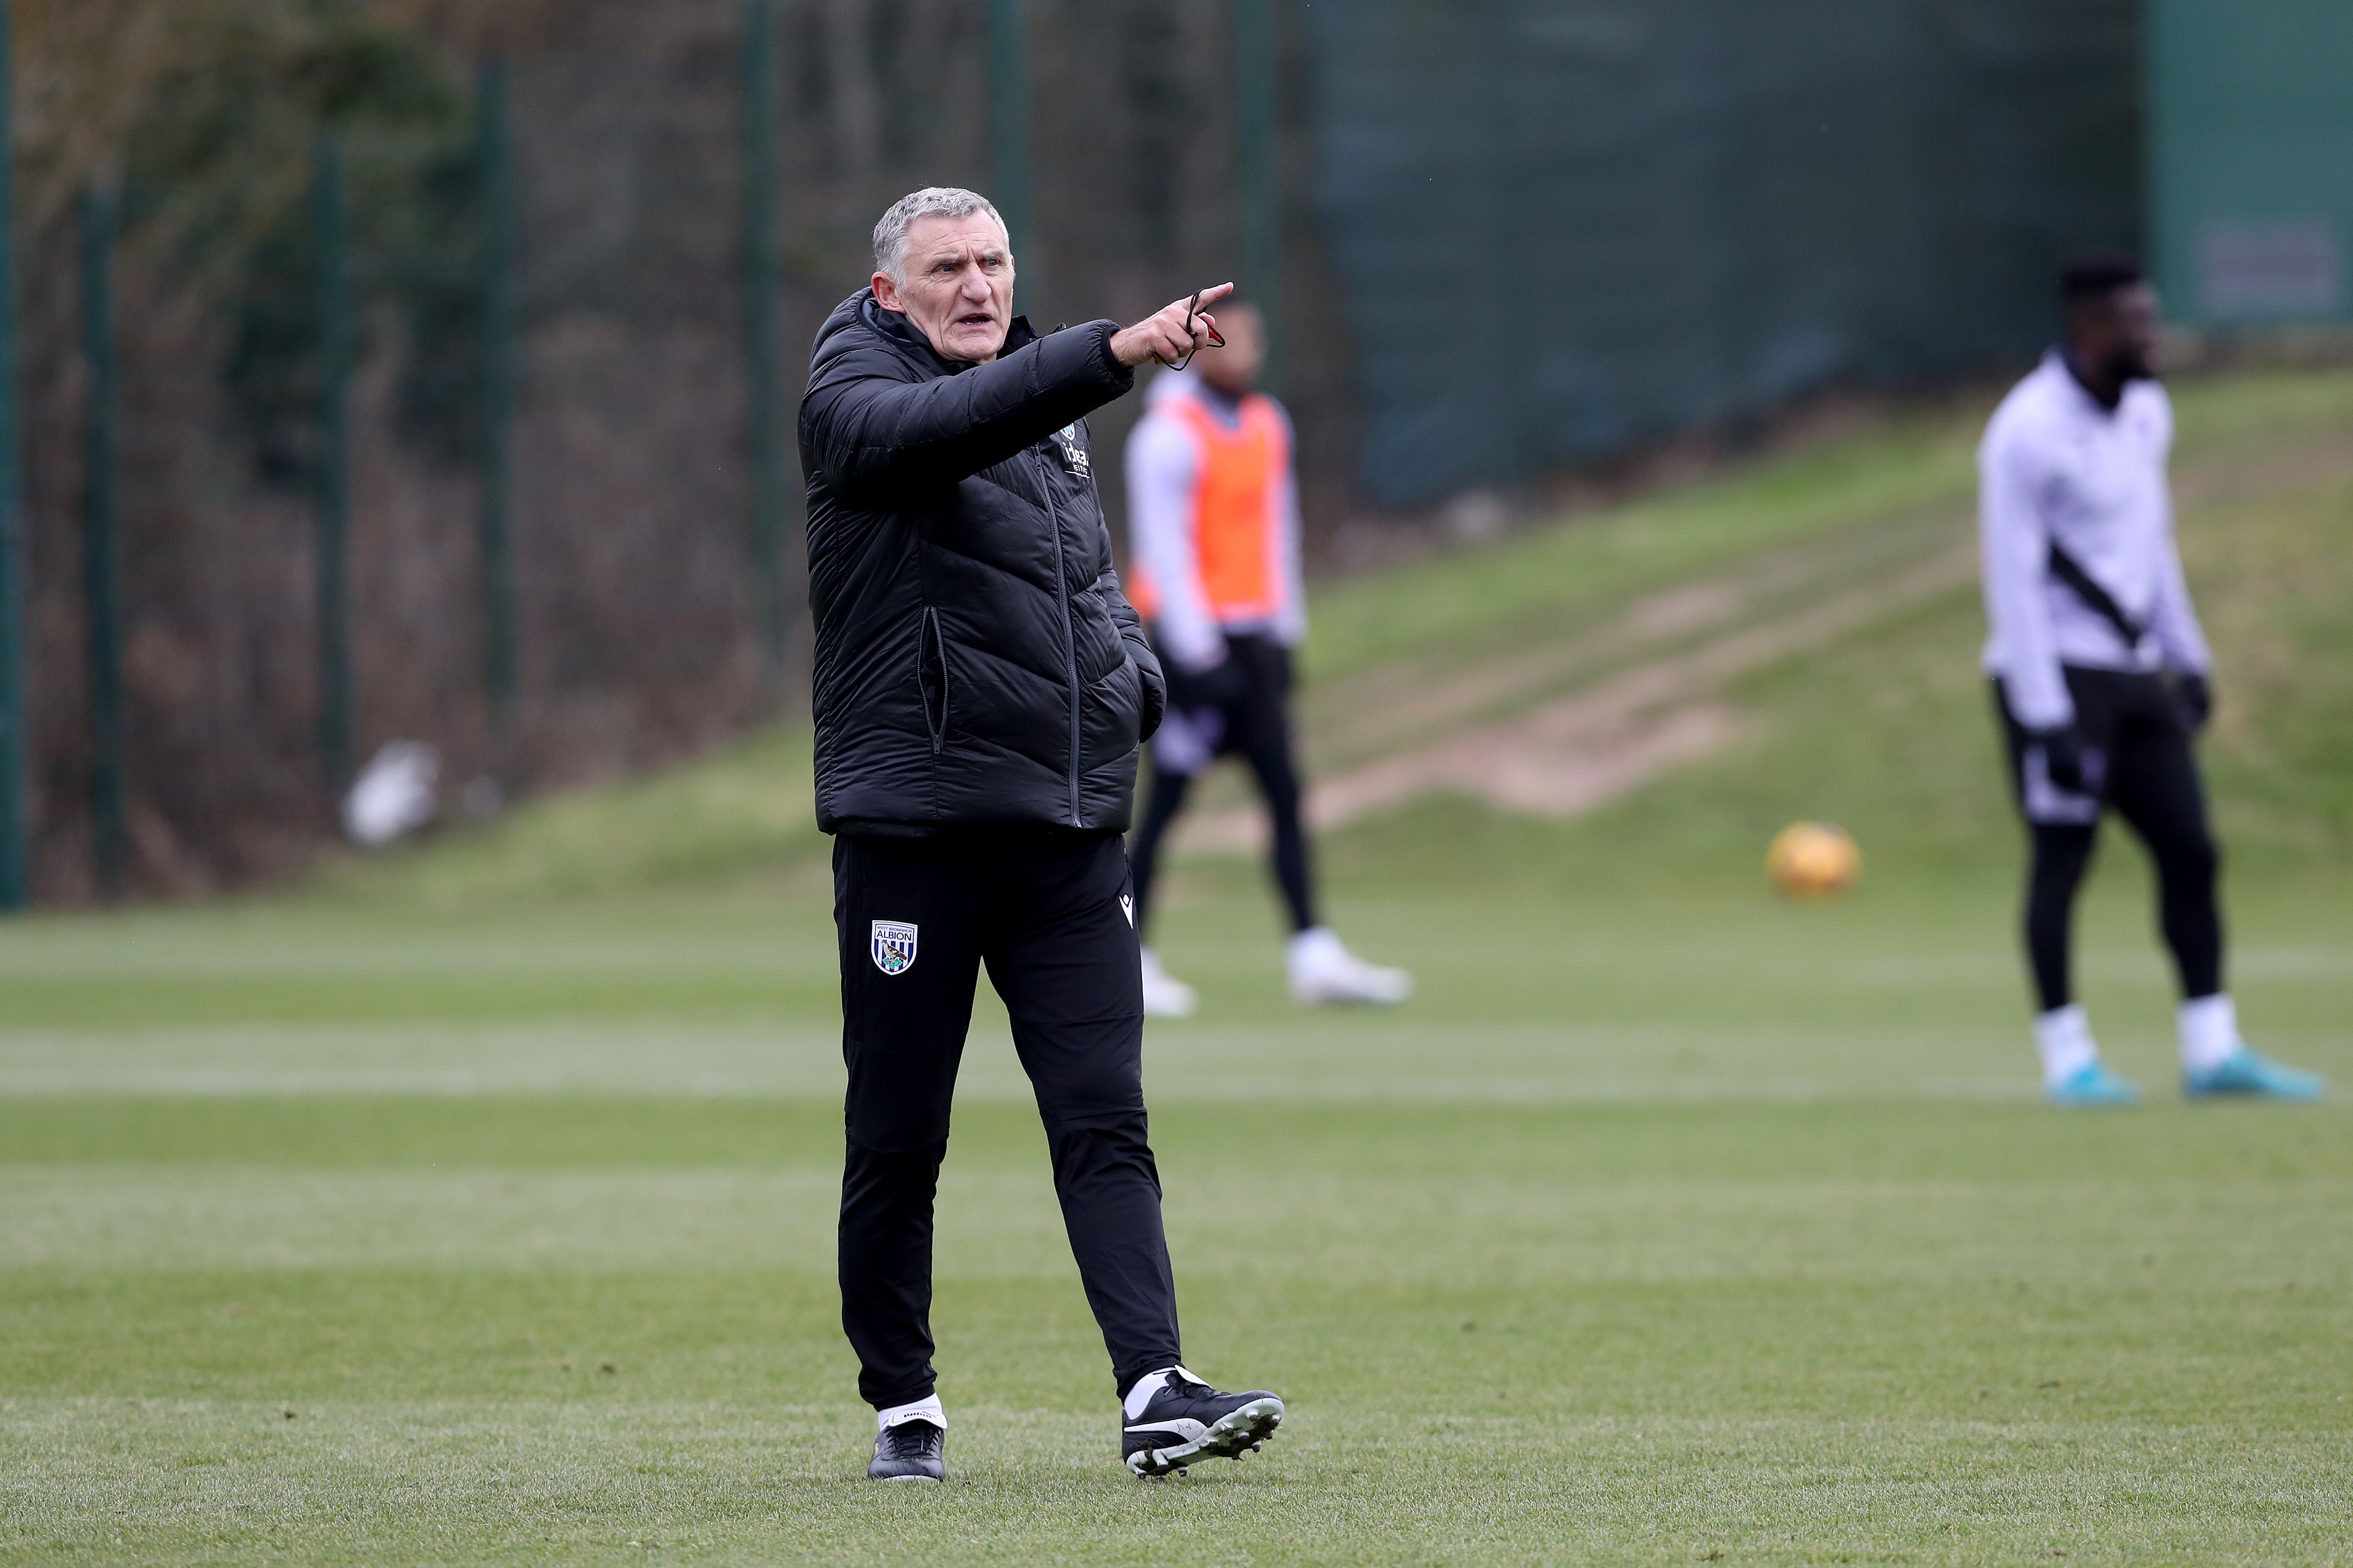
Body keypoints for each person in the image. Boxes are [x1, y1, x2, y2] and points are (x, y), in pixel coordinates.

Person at [799, 187, 1285, 1482]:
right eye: (949, 267)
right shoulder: (855, 396)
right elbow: (937, 431)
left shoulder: (1036, 395)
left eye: (996, 261)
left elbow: (1083, 580)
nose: (978, 285)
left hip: (1066, 835)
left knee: (1104, 1117)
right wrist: (1109, 354)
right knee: (900, 1136)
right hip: (918, 833)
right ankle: (906, 1403)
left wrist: (1133, 679)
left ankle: (1156, 1387)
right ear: (891, 292)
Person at [1978, 255, 2323, 1108]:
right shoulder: (2024, 433)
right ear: (2092, 329)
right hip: (2059, 677)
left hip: (2135, 679)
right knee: (2064, 858)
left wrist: (2189, 655)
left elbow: (2152, 545)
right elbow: (2012, 581)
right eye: (2137, 323)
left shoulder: (2146, 412)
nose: (2154, 337)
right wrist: (2045, 717)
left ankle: (2214, 1050)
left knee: (2191, 851)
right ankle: (2069, 1059)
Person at [1122, 302, 1412, 1016]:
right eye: (1226, 338)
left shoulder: (1265, 423)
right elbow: (1166, 549)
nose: (1242, 351)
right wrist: (1195, 655)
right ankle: (1126, 957)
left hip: (1255, 640)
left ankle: (1314, 952)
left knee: (1283, 791)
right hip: (1195, 647)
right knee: (1164, 804)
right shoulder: (1166, 435)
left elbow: (1279, 531)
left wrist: (1286, 633)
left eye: (1252, 337)